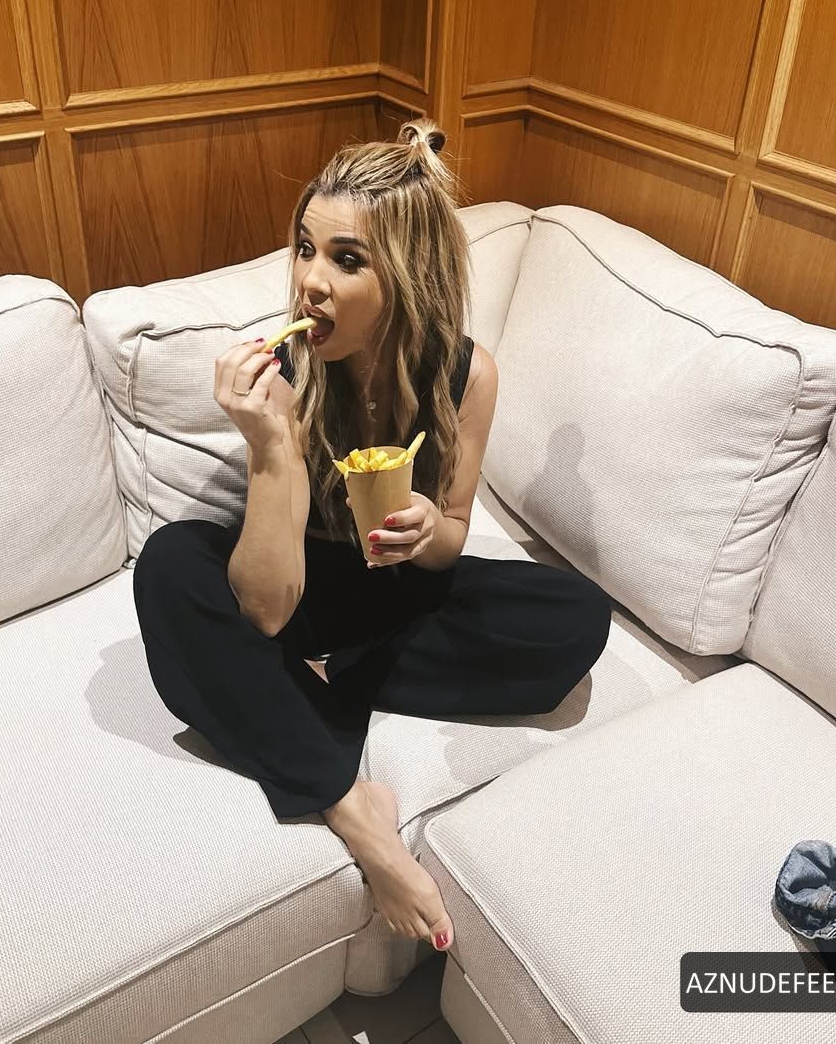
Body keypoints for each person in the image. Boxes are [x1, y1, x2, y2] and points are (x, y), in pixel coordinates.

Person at [132, 117, 613, 954]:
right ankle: (354, 811)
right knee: (170, 565)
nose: (309, 281)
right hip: (307, 587)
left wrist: (428, 531)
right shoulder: (286, 373)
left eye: (346, 260)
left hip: (402, 594)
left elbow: (454, 533)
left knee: (576, 616)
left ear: (407, 278)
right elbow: (268, 609)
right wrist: (271, 445)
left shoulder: (467, 375)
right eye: (304, 249)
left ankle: (307, 688)